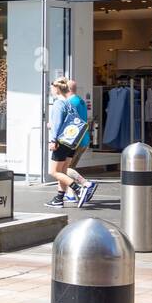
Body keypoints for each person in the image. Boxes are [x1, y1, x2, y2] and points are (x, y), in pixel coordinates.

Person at [47, 77, 97, 208]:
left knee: (54, 172)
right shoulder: (70, 103)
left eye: (52, 88)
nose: (51, 90)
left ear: (57, 89)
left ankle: (80, 189)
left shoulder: (59, 104)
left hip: (62, 142)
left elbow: (57, 124)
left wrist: (53, 140)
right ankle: (59, 198)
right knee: (63, 171)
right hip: (72, 142)